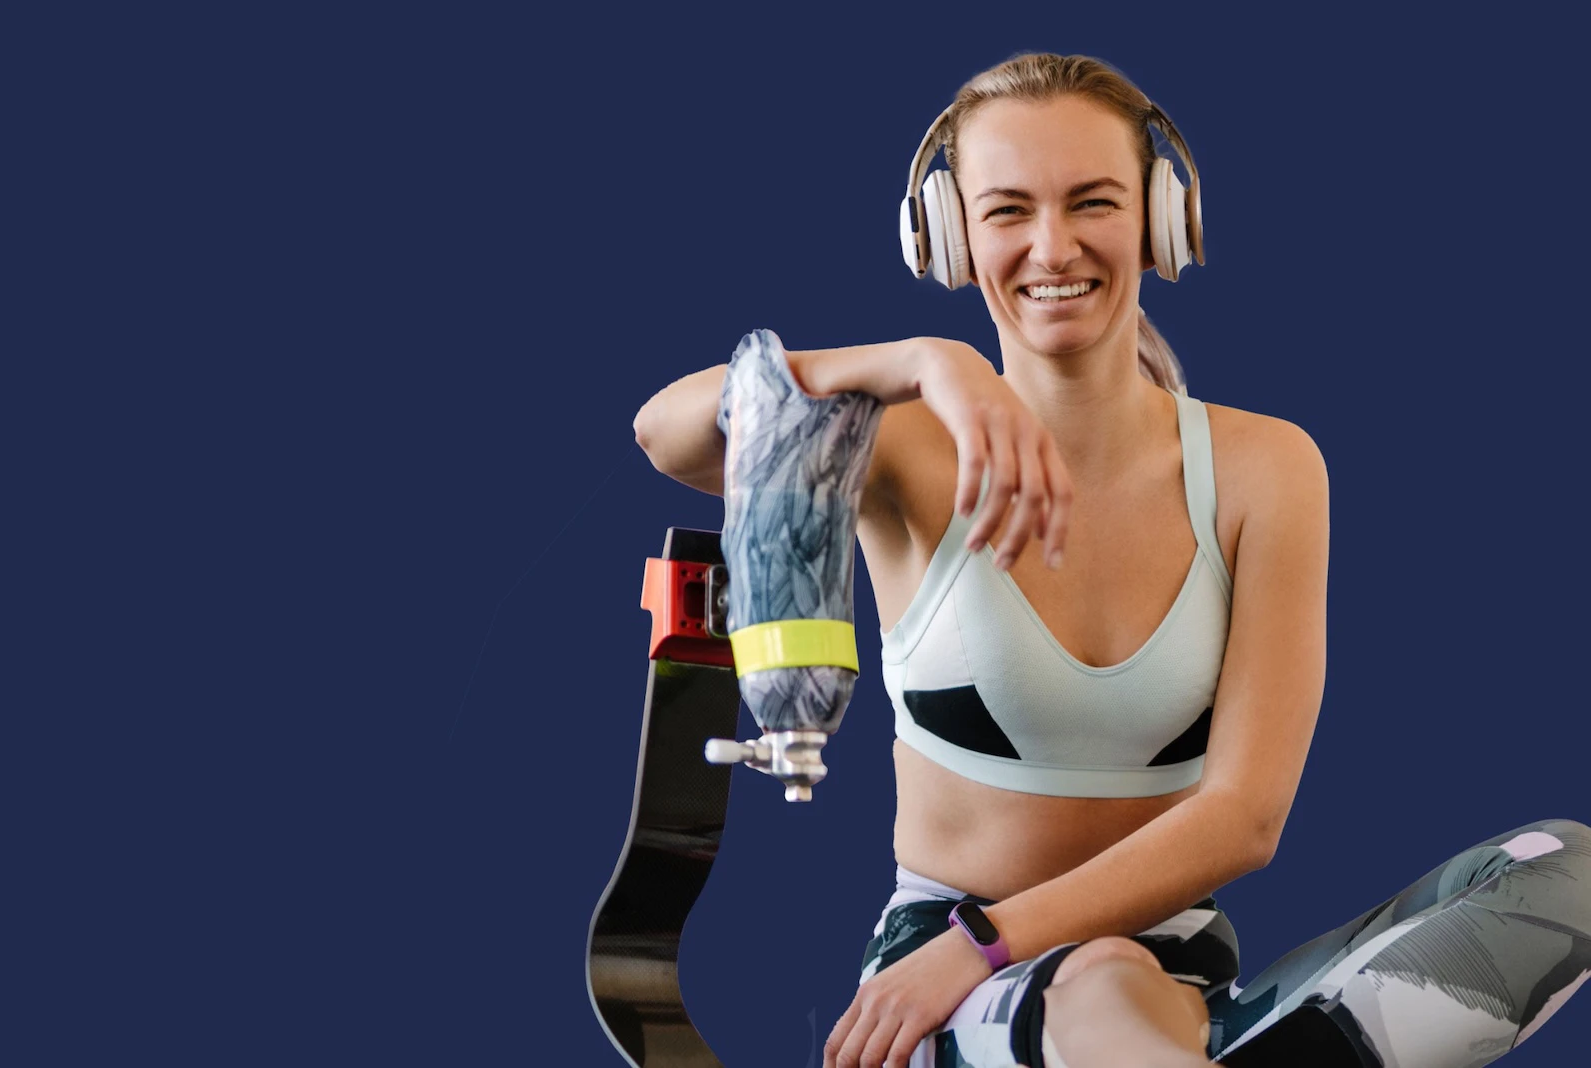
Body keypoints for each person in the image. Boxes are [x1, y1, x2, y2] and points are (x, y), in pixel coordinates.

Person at [631, 51, 1591, 1068]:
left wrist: (992, 941)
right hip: (944, 981)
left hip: (1159, 968)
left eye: (1093, 202)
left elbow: (1244, 819)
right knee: (1098, 984)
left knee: (1564, 870)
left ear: (1161, 219)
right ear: (948, 238)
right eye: (1007, 211)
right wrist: (921, 363)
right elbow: (669, 431)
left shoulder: (1269, 470)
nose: (1054, 245)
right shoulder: (896, 450)